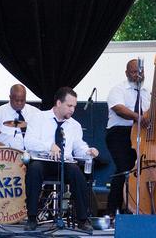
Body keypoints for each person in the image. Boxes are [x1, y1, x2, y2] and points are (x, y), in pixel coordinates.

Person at [23, 87, 99, 231]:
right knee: (34, 170)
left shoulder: (75, 125)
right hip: (42, 160)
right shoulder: (39, 118)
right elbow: (28, 142)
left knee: (77, 173)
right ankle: (32, 217)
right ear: (58, 103)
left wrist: (87, 151)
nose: (72, 110)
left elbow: (78, 147)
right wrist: (49, 146)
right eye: (69, 106)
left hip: (64, 162)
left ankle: (83, 219)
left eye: (74, 107)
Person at [104, 58, 154, 215]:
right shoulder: (118, 89)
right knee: (125, 169)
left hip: (141, 135)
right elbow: (119, 109)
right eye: (134, 72)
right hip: (120, 133)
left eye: (141, 72)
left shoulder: (147, 93)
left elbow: (154, 115)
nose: (138, 75)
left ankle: (138, 208)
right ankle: (112, 211)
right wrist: (138, 117)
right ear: (126, 73)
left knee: (143, 170)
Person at [0, 84, 40, 151]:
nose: (19, 103)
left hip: (33, 155)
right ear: (10, 97)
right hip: (6, 156)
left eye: (22, 100)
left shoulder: (35, 113)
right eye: (16, 100)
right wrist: (4, 147)